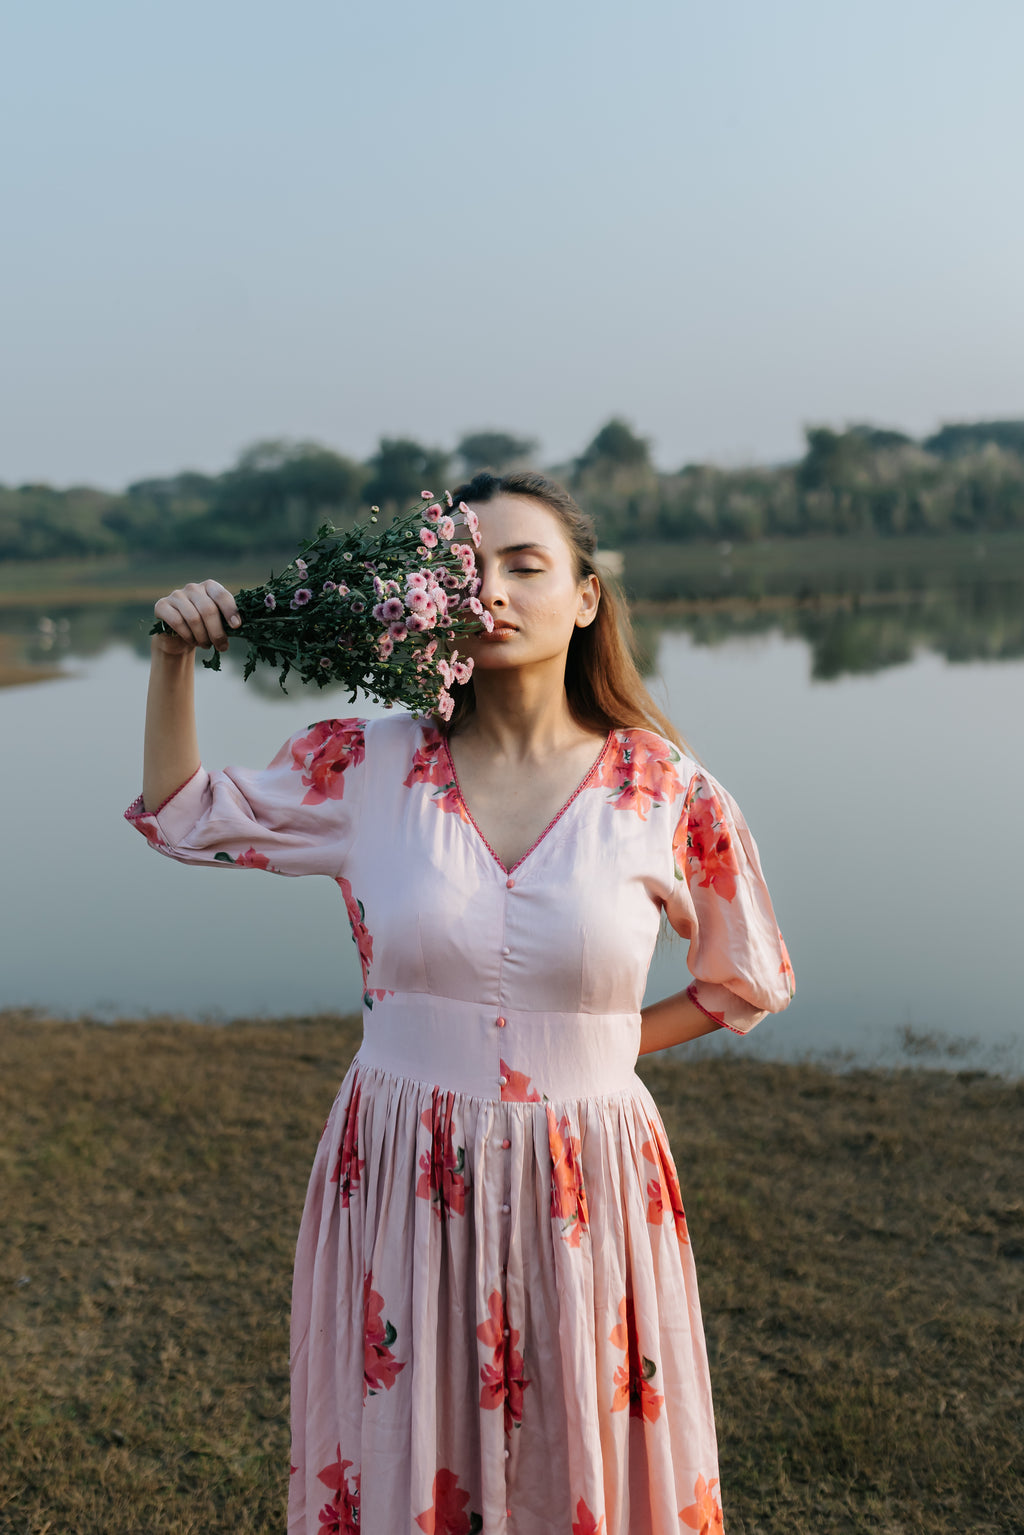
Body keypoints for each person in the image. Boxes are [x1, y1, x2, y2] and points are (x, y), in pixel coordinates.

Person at [127, 469, 794, 1535]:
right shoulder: (369, 763)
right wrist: (173, 658)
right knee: (407, 1461)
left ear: (584, 597)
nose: (490, 589)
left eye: (525, 565)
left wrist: (596, 1050)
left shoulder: (662, 787)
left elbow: (739, 977)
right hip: (398, 1159)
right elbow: (183, 815)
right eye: (461, 568)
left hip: (591, 1173)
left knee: (584, 1455)